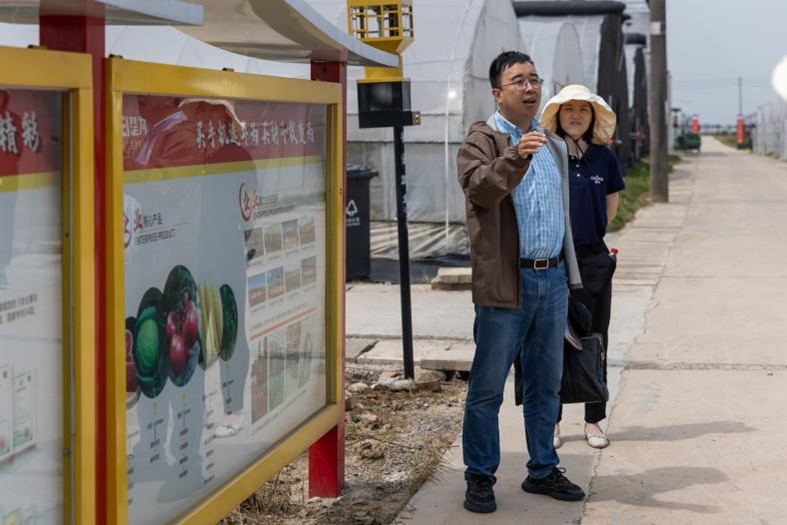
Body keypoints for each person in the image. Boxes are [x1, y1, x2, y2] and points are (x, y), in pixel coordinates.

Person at [456, 51, 585, 514]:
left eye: (534, 79)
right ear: (498, 93)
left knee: (545, 384)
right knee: (488, 387)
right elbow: (481, 189)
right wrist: (515, 155)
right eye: (518, 81)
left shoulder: (550, 144)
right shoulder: (483, 140)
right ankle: (480, 476)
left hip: (549, 280)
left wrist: (570, 277)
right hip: (505, 285)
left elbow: (562, 219)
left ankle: (543, 469)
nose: (530, 88)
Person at [539, 84, 626, 450]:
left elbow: (611, 209)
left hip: (591, 260)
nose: (576, 114)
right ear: (557, 116)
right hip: (554, 258)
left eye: (583, 109)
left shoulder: (605, 159)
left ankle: (593, 421)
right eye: (568, 108)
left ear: (593, 117)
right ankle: (552, 421)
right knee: (551, 342)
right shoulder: (547, 152)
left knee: (594, 339)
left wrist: (594, 246)